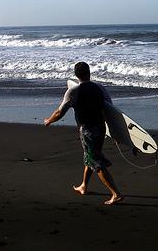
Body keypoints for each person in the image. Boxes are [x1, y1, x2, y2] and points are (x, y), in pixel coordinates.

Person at [44, 62, 123, 205]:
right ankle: (83, 186)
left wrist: (49, 120)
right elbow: (111, 111)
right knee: (90, 156)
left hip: (87, 130)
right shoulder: (100, 88)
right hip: (100, 128)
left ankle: (115, 194)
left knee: (96, 161)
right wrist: (115, 132)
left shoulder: (74, 91)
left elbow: (60, 112)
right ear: (89, 72)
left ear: (76, 75)